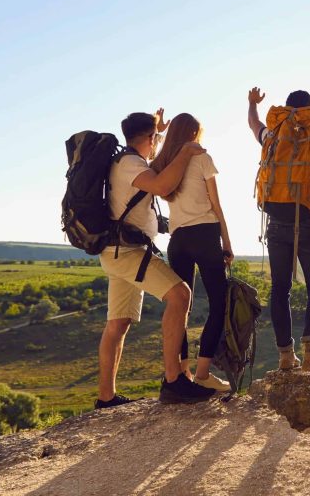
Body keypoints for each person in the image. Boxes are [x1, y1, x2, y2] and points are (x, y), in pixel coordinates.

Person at [95, 109, 216, 408]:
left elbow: (156, 166)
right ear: (148, 138)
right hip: (128, 252)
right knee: (180, 295)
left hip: (115, 251)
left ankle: (105, 398)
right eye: (155, 138)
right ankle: (174, 381)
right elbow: (163, 185)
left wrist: (159, 133)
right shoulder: (131, 164)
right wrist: (187, 150)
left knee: (117, 324)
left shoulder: (124, 161)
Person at [247, 88, 310, 372]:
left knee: (280, 289)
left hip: (276, 221)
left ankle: (286, 356)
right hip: (309, 220)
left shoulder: (273, 135)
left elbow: (254, 125)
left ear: (286, 109)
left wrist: (252, 104)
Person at [150, 113, 233, 392]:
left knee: (180, 307)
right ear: (195, 134)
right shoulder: (202, 159)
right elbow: (217, 205)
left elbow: (151, 158)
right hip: (205, 235)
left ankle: (183, 372)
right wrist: (227, 243)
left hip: (178, 239)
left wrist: (159, 132)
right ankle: (203, 373)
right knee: (218, 304)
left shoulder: (164, 165)